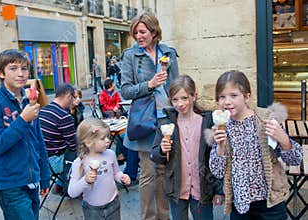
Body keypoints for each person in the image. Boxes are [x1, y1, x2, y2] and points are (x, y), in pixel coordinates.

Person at [209, 70, 303, 219]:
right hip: (240, 204)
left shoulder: (265, 119)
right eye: (222, 97)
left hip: (270, 202)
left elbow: (295, 159)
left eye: (233, 95)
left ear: (247, 96)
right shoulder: (221, 126)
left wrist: (284, 139)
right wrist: (220, 146)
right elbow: (217, 171)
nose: (227, 101)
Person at [120, 12, 179, 220]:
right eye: (135, 32)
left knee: (163, 171)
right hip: (145, 120)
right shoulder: (130, 55)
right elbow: (125, 90)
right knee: (148, 174)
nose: (138, 36)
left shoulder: (169, 53)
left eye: (142, 31)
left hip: (167, 119)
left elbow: (177, 87)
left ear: (154, 32)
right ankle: (149, 217)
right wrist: (150, 85)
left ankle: (164, 216)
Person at [0, 49, 50, 219]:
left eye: (24, 68)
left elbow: (38, 141)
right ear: (0, 73)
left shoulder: (28, 101)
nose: (21, 74)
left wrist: (45, 175)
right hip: (10, 184)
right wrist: (23, 120)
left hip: (32, 178)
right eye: (13, 68)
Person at [150, 75, 224, 220]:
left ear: (194, 96)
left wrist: (219, 190)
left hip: (203, 188)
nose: (180, 104)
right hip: (176, 188)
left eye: (184, 98)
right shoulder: (167, 123)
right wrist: (161, 150)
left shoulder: (207, 122)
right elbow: (154, 155)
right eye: (175, 99)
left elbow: (216, 158)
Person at [67, 117, 131, 220]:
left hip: (113, 203)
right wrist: (85, 180)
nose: (107, 141)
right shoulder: (79, 163)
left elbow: (116, 173)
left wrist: (122, 177)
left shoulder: (110, 154)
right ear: (88, 142)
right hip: (92, 209)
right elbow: (72, 192)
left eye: (108, 137)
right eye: (103, 138)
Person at [39, 83, 77, 194]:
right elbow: (73, 146)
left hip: (41, 159)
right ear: (68, 96)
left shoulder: (43, 110)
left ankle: (60, 185)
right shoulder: (64, 116)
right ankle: (73, 189)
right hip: (53, 163)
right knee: (86, 154)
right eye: (73, 97)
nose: (74, 101)